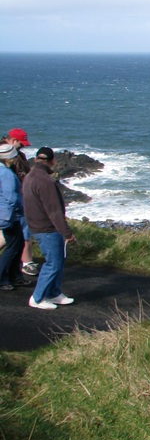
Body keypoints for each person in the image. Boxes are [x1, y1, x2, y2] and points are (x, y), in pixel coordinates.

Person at [22, 147, 76, 310]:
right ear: (52, 161)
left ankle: (54, 293)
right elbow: (54, 210)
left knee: (58, 260)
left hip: (36, 225)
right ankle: (37, 298)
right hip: (46, 228)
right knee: (52, 263)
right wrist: (66, 232)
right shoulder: (45, 181)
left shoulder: (30, 176)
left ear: (37, 159)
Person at [2, 128, 39, 276]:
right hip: (13, 200)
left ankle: (22, 264)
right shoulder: (8, 158)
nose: (23, 146)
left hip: (14, 199)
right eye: (21, 143)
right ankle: (26, 263)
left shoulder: (15, 155)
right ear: (12, 141)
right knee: (20, 232)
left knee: (14, 233)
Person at [0, 143, 30, 291]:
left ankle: (14, 276)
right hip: (10, 215)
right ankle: (3, 278)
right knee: (13, 247)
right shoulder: (6, 174)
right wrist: (20, 208)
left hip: (7, 214)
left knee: (17, 245)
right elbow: (11, 197)